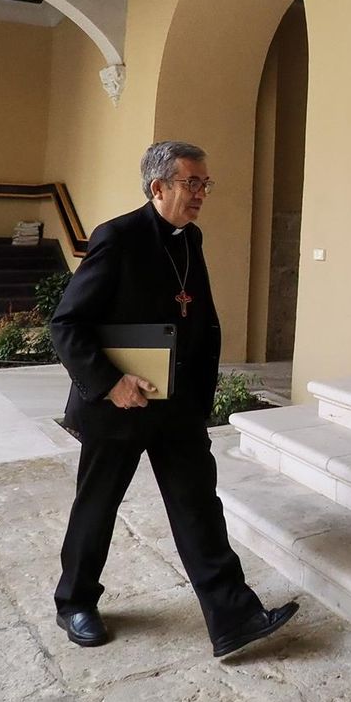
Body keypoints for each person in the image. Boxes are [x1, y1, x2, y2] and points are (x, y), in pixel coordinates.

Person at [49, 140, 298, 657]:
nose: (201, 192)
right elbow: (67, 324)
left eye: (205, 183)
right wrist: (110, 382)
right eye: (192, 182)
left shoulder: (190, 238)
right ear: (158, 186)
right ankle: (74, 602)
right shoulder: (117, 237)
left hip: (177, 406)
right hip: (119, 405)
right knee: (97, 506)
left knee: (198, 508)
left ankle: (233, 617)